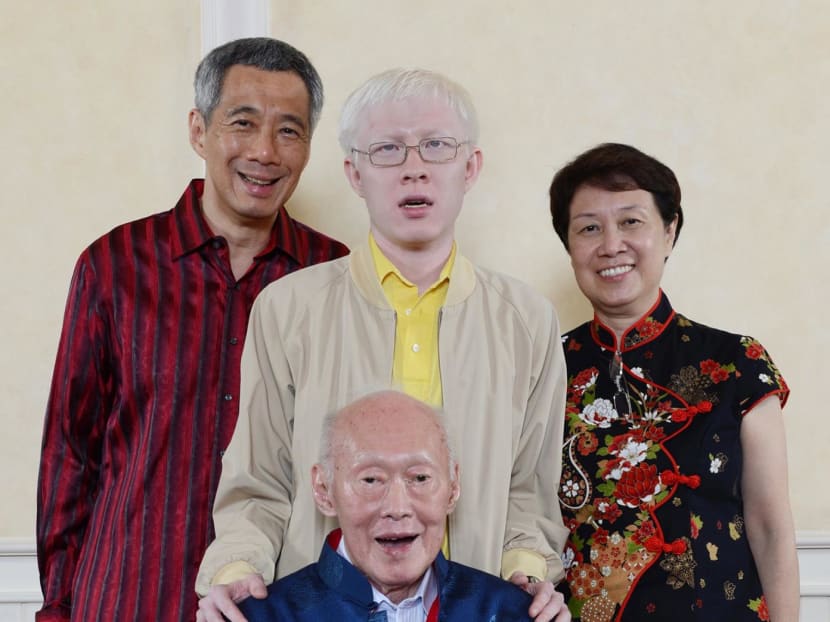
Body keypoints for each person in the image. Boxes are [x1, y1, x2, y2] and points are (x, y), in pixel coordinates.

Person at [196, 68, 570, 622]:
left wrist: (526, 575)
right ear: (354, 171)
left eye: (437, 146)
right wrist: (237, 573)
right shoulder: (288, 309)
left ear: (471, 167)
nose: (414, 167)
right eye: (387, 149)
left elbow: (529, 492)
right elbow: (260, 480)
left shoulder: (525, 320)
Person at [35, 38, 348, 622]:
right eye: (243, 122)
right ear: (199, 131)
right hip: (129, 594)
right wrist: (58, 607)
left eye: (289, 130)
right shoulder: (115, 264)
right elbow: (70, 453)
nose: (264, 151)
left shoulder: (336, 276)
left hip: (281, 601)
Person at [549, 143, 799, 621]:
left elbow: (770, 526)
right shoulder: (545, 366)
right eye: (588, 228)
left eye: (631, 222)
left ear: (669, 231)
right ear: (570, 247)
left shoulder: (735, 361)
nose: (610, 245)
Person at [236, 389, 537, 621]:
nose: (397, 507)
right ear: (324, 489)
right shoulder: (262, 616)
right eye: (370, 480)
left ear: (453, 486)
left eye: (419, 477)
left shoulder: (510, 611)